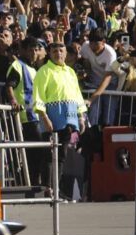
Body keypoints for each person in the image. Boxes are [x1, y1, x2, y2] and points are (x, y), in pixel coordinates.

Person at [33, 40, 89, 198]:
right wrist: (45, 117)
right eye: (55, 51)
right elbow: (38, 96)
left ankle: (57, 188)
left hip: (68, 119)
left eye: (61, 51)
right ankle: (48, 188)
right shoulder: (44, 71)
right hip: (51, 119)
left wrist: (81, 116)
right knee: (50, 155)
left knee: (62, 155)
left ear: (66, 53)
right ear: (50, 54)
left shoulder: (70, 72)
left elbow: (77, 95)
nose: (58, 54)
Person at [6, 38, 48, 186]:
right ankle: (32, 182)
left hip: (36, 116)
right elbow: (10, 85)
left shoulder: (33, 68)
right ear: (23, 50)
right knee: (34, 153)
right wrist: (13, 101)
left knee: (37, 153)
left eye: (36, 49)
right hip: (26, 117)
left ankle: (35, 182)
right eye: (31, 49)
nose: (34, 52)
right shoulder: (18, 65)